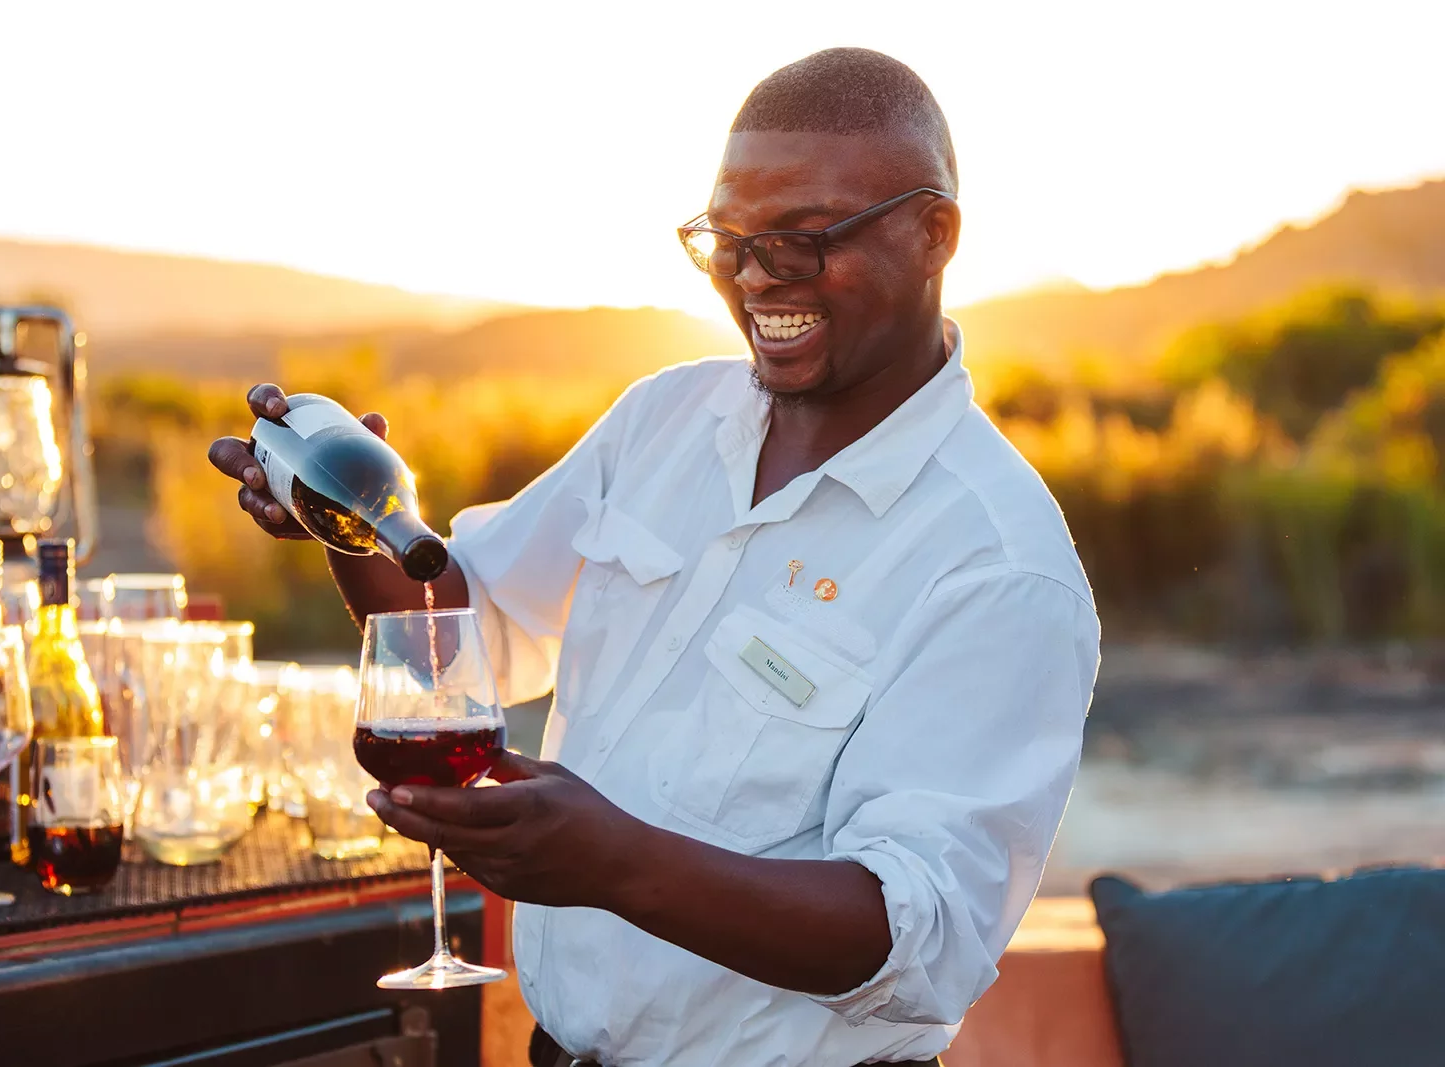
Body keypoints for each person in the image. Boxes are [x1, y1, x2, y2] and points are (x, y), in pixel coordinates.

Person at [210, 46, 1099, 1067]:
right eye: (729, 237)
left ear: (933, 232)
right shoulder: (664, 419)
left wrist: (613, 860)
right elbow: (470, 634)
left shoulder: (996, 563)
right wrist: (349, 528)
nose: (759, 275)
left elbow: (914, 936)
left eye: (805, 240)